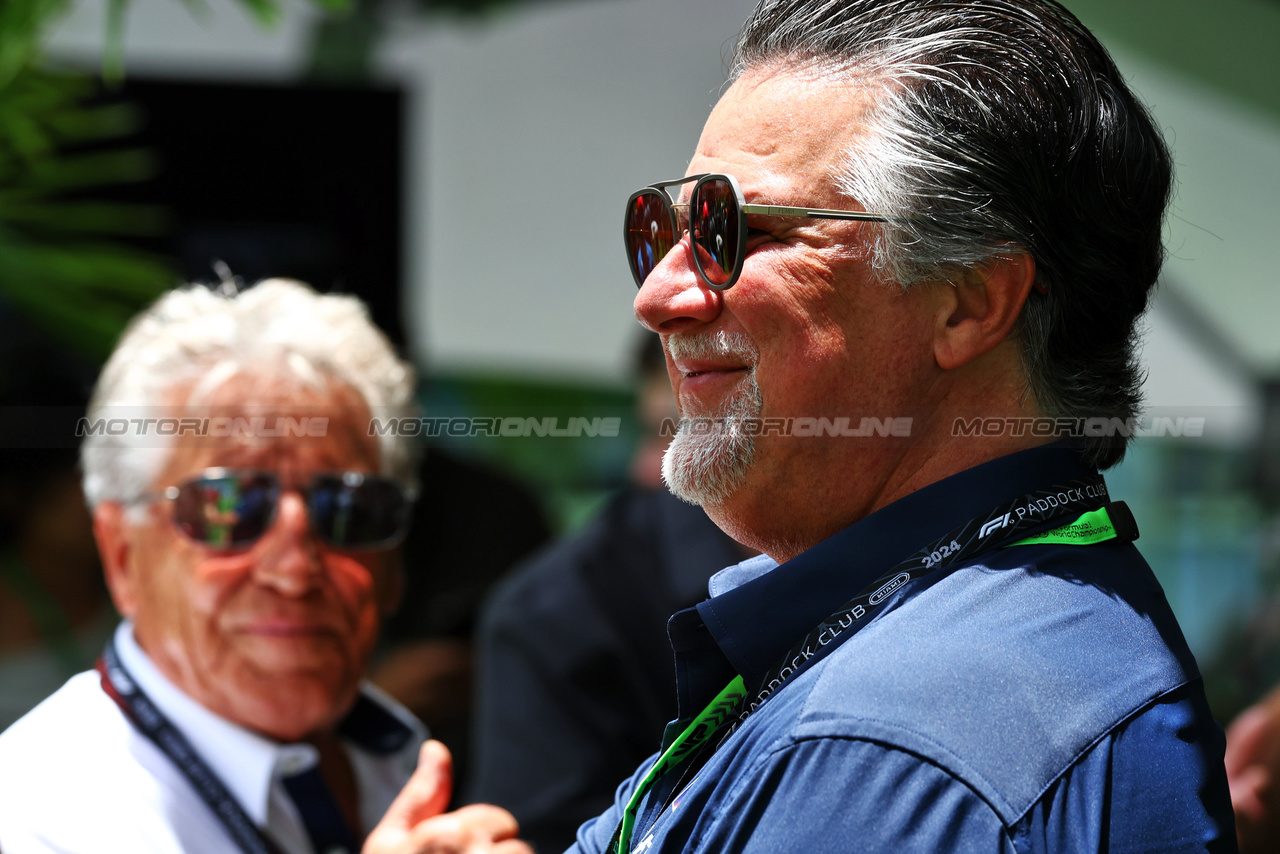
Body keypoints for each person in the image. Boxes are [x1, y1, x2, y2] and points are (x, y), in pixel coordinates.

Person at [364, 1, 1237, 851]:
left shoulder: (890, 738)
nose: (659, 295)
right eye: (664, 227)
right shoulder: (995, 633)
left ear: (968, 303)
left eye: (737, 229)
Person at [0, 279, 523, 854]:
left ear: (395, 560)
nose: (294, 569)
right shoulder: (37, 818)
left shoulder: (396, 759)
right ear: (121, 554)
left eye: (347, 508)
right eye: (228, 507)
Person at [465, 334, 748, 852]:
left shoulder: (916, 558)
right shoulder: (557, 615)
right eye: (660, 430)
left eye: (692, 429)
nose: (646, 467)